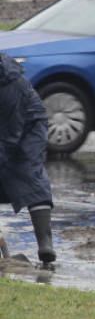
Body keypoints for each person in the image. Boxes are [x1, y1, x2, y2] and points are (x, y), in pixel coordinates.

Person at [0, 52, 56, 264]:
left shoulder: (8, 84)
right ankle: (4, 255)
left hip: (29, 125)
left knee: (29, 172)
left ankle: (45, 245)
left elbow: (10, 135)